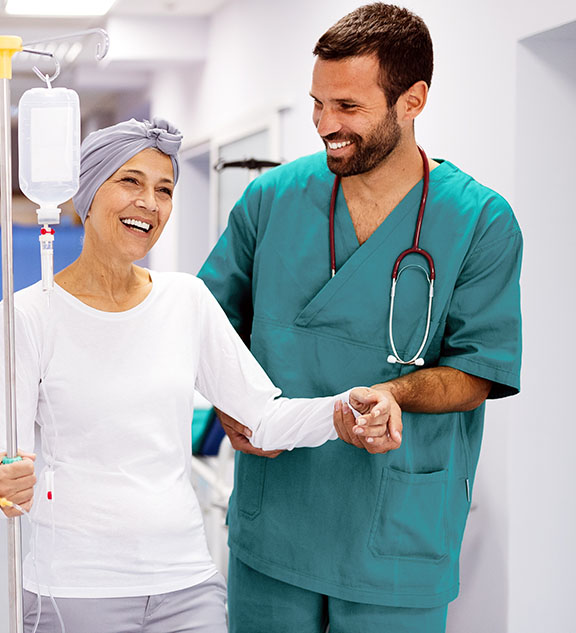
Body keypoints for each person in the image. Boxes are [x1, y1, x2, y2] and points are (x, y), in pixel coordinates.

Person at [0, 118, 401, 633]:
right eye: (130, 181)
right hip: (75, 592)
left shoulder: (185, 299)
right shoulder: (28, 315)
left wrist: (342, 411)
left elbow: (262, 417)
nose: (150, 201)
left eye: (164, 189)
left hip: (186, 586)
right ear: (87, 193)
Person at [198, 4, 523, 632]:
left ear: (413, 100)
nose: (326, 125)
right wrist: (226, 402)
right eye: (318, 103)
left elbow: (479, 370)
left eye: (348, 107)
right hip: (277, 522)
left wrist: (394, 393)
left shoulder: (481, 221)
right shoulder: (271, 200)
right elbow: (206, 324)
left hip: (395, 536)